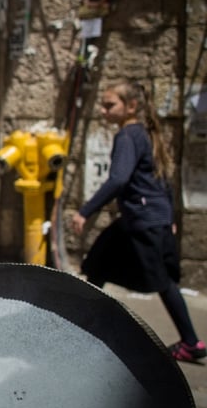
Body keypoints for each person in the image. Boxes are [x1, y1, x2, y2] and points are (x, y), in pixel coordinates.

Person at [72, 80, 203, 362]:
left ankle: (191, 342)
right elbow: (162, 180)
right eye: (103, 105)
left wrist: (85, 211)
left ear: (130, 106)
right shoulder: (143, 134)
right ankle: (81, 324)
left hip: (142, 220)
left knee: (161, 282)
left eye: (110, 105)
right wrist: (168, 216)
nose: (103, 111)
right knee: (99, 266)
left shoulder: (128, 136)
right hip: (145, 219)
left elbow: (118, 178)